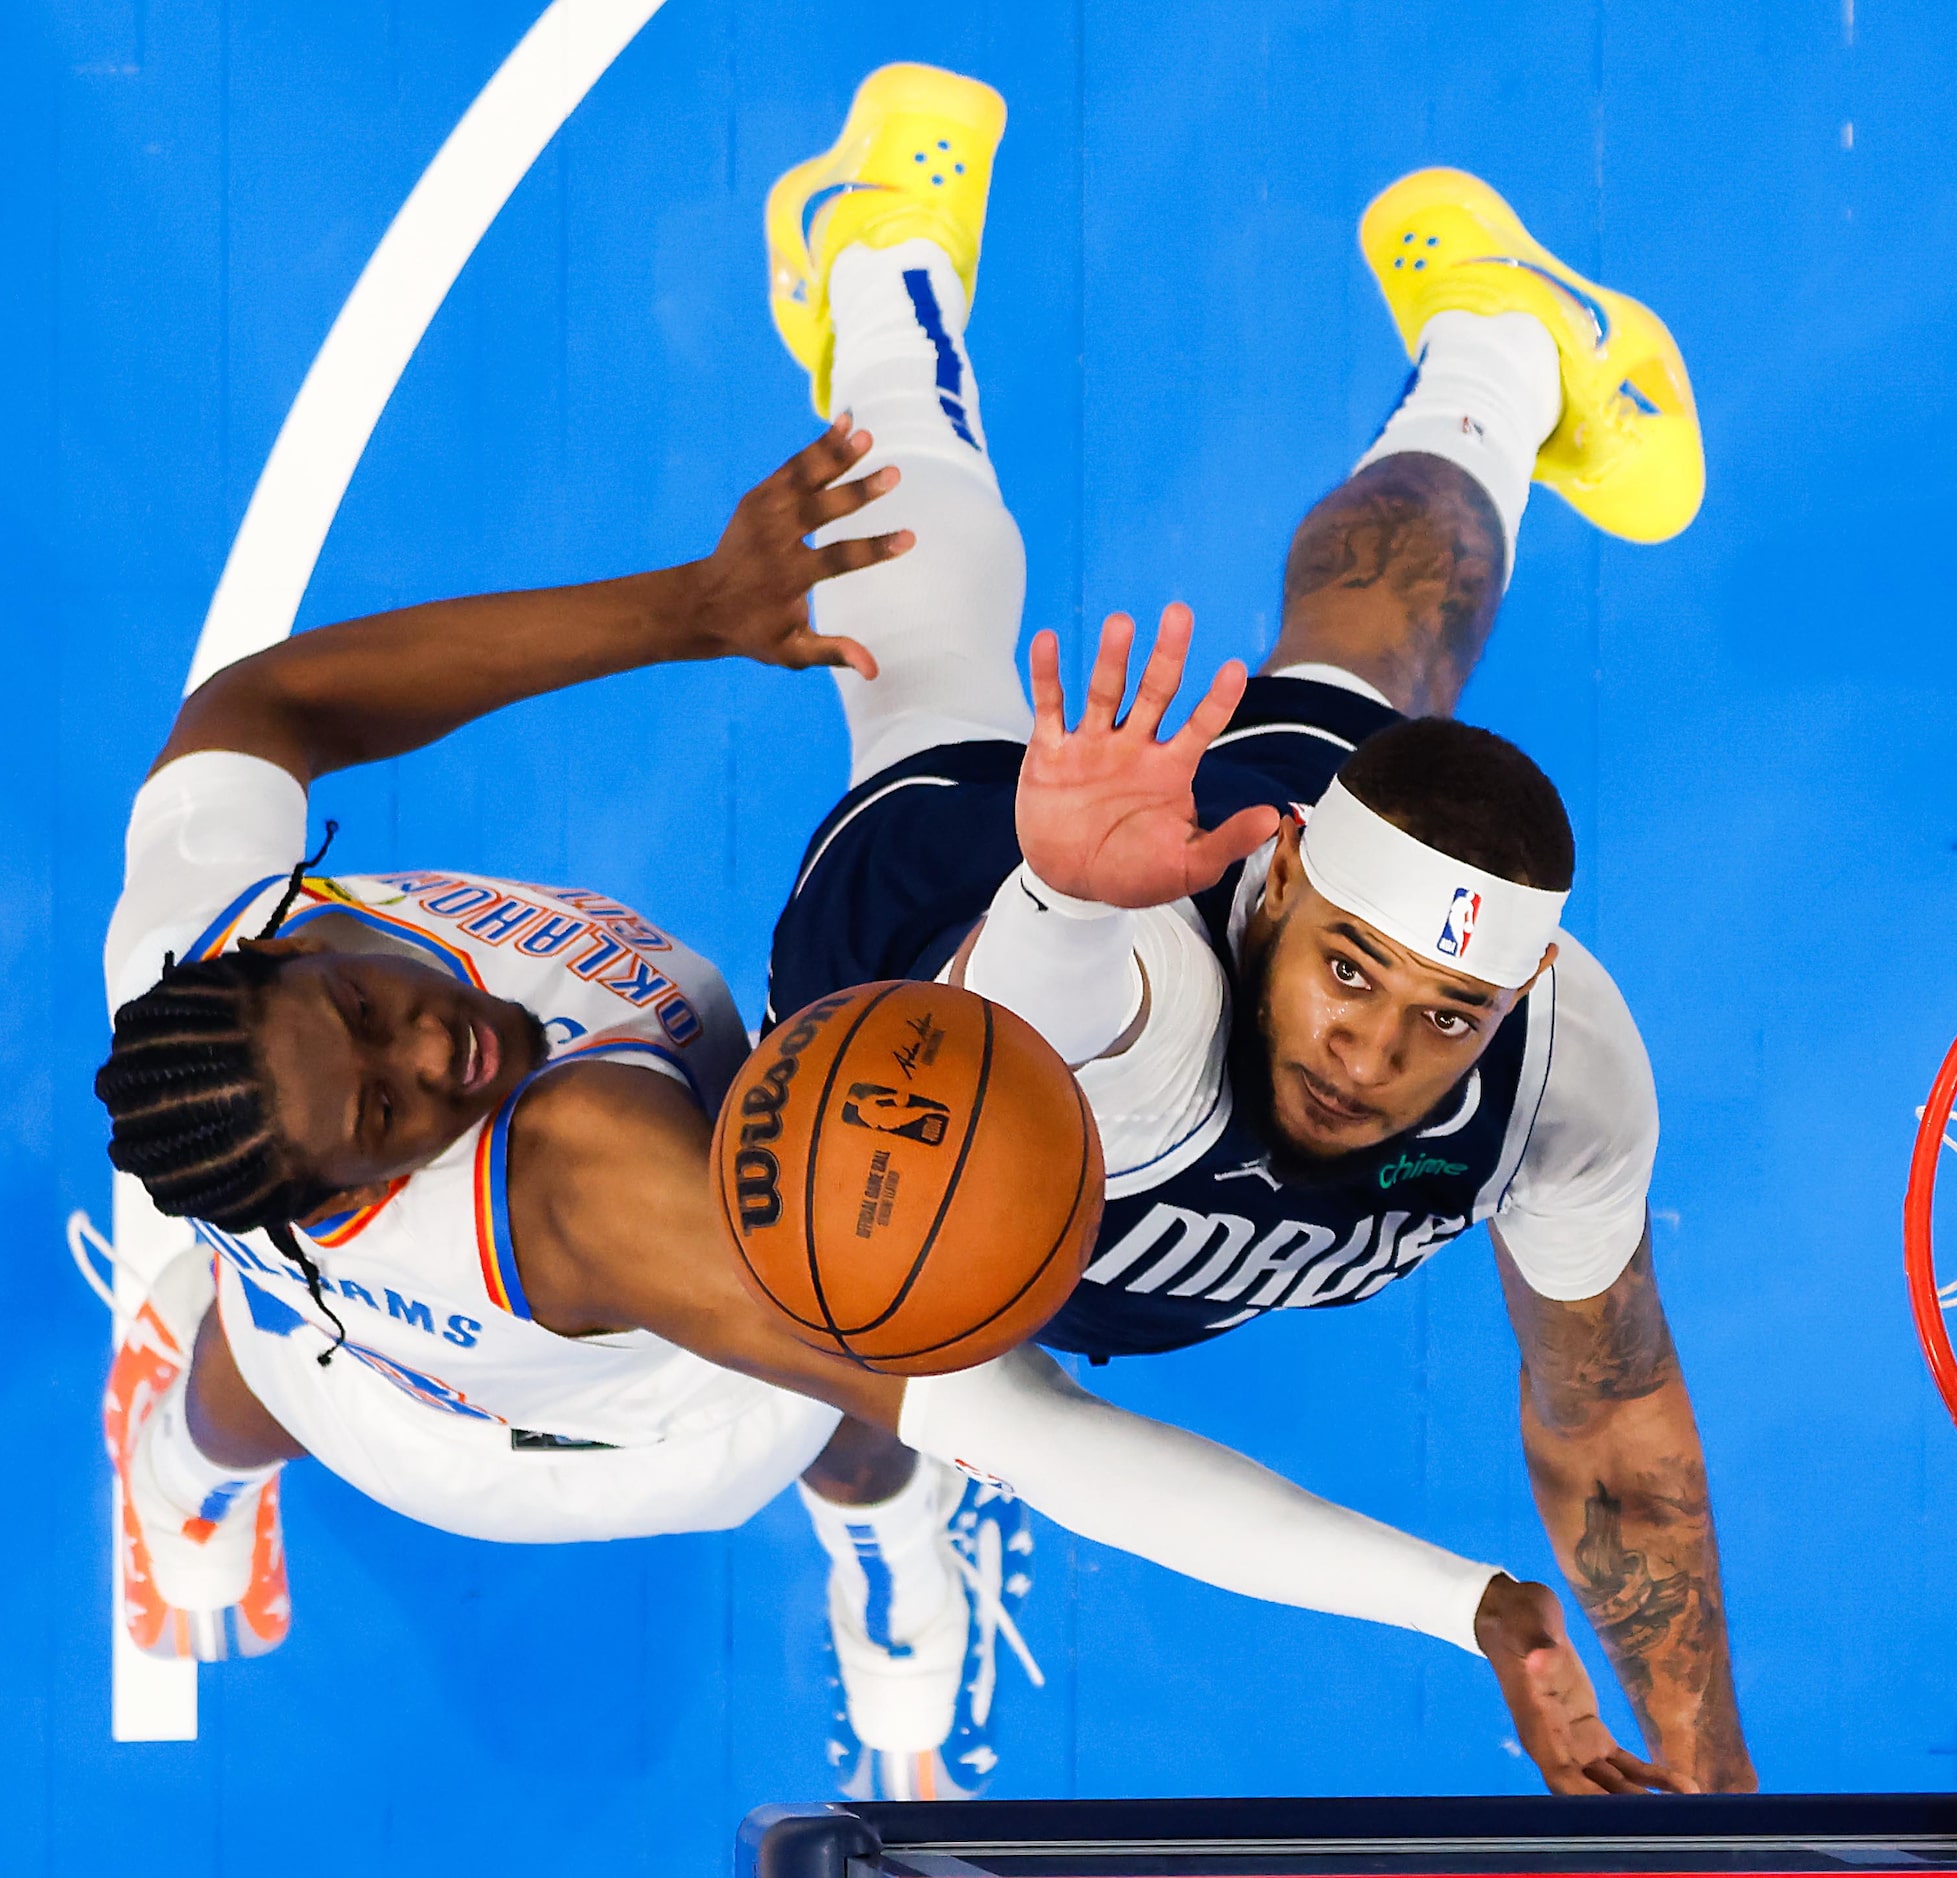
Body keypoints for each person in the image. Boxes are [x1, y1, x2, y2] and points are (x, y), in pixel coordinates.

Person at [92, 435, 1675, 1796]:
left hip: (357, 1300)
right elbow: (1039, 1433)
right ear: (345, 1172)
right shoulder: (583, 1181)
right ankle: (867, 1539)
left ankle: (181, 1446)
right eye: (385, 1106)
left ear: (282, 929)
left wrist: (686, 611)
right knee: (877, 1296)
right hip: (634, 1430)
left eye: (369, 1006)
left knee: (275, 1336)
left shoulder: (199, 933)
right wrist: (1462, 1601)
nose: (436, 1045)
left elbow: (268, 700)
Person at [759, 67, 1754, 1791]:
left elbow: (1603, 1422)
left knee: (1376, 658)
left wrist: (1714, 1789)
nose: (1373, 1046)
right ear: (1280, 873)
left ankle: (1499, 341)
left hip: (1148, 899)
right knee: (922, 636)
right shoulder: (1129, 1029)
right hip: (957, 963)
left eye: (1446, 1010)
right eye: (1356, 974)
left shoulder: (1559, 1074)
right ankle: (879, 254)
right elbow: (1058, 1061)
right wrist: (1062, 882)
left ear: (1521, 990)